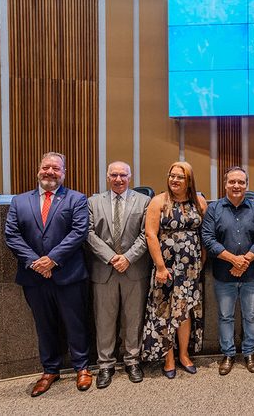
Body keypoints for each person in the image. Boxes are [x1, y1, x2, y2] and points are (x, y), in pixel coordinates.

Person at [4, 152, 92, 396]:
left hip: (68, 274)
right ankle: (50, 369)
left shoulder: (76, 199)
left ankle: (82, 367)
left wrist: (52, 260)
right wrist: (35, 262)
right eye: (46, 167)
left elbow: (79, 232)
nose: (50, 172)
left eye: (56, 168)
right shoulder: (19, 201)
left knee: (76, 323)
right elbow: (12, 235)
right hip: (33, 276)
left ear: (63, 173)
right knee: (44, 325)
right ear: (38, 170)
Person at [85, 161, 151, 388]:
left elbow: (146, 234)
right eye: (114, 175)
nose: (118, 179)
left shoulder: (144, 201)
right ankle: (105, 364)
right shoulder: (93, 202)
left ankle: (133, 360)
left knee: (133, 318)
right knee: (104, 319)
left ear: (130, 177)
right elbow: (89, 233)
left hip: (134, 269)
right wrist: (112, 257)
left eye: (123, 175)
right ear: (107, 177)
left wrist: (128, 258)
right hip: (104, 269)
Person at [140, 162, 207, 378]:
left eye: (180, 177)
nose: (175, 180)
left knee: (185, 311)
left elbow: (204, 236)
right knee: (166, 312)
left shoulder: (199, 201)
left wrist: (200, 263)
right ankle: (168, 358)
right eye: (172, 176)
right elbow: (150, 235)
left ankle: (184, 355)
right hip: (166, 267)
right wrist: (160, 266)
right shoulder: (158, 201)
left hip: (190, 270)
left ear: (189, 181)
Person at [202, 167, 254, 375]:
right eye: (232, 182)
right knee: (225, 316)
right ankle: (228, 354)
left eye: (240, 182)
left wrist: (245, 261)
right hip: (223, 273)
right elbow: (208, 239)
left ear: (246, 184)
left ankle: (249, 353)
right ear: (225, 184)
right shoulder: (214, 209)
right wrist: (233, 260)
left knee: (251, 316)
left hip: (251, 273)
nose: (236, 186)